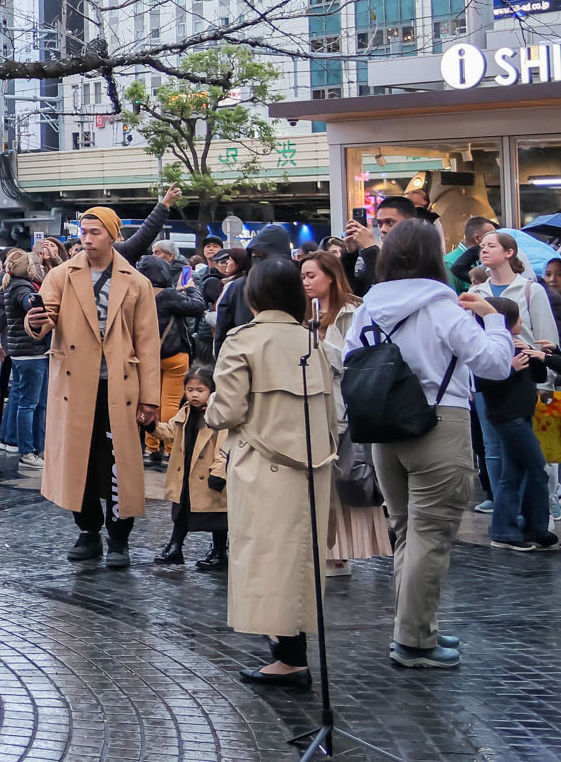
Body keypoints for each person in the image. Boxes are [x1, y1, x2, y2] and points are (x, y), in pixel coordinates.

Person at [343, 217, 515, 668]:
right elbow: (495, 364)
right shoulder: (443, 307)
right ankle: (415, 639)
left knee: (405, 531)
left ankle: (413, 627)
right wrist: (494, 319)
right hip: (438, 424)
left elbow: (347, 360)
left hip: (382, 430)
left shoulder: (367, 308)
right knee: (430, 534)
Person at [206, 258, 334, 687]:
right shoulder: (311, 340)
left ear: (253, 295)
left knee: (264, 558)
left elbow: (225, 411)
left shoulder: (243, 339)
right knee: (301, 559)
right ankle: (292, 655)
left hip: (261, 462)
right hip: (312, 466)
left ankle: (286, 656)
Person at [25, 206, 161, 567]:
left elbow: (148, 344)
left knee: (119, 464)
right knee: (78, 460)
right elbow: (44, 318)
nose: (86, 238)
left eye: (95, 232)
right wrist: (36, 320)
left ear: (113, 235)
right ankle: (87, 531)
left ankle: (119, 538)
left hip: (121, 385)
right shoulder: (60, 276)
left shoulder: (137, 281)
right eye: (83, 231)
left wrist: (151, 399)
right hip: (74, 386)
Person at [303, 246, 390, 574]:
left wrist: (320, 344)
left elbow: (360, 360)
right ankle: (323, 550)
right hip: (310, 407)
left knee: (347, 477)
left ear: (331, 277)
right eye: (302, 277)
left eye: (311, 276)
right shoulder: (302, 312)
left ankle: (341, 553)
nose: (306, 283)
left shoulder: (355, 311)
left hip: (347, 405)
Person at [474, 295, 558, 550]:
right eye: (519, 317)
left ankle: (506, 530)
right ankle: (536, 528)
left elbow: (540, 375)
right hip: (508, 418)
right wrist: (509, 368)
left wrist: (541, 356)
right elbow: (482, 383)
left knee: (512, 474)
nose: (523, 320)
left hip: (522, 415)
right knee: (537, 470)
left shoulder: (518, 344)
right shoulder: (490, 349)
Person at [154, 363, 228, 567]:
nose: (194, 395)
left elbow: (225, 446)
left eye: (200, 390)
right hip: (186, 472)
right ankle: (175, 545)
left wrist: (220, 471)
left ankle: (220, 552)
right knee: (181, 511)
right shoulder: (185, 411)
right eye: (190, 390)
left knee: (218, 516)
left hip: (208, 473)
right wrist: (151, 426)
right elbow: (170, 432)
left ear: (212, 391)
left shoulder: (219, 414)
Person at [147, 255, 210, 468]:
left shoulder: (137, 293)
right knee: (171, 401)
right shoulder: (169, 294)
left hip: (148, 356)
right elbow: (198, 306)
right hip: (174, 354)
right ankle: (170, 448)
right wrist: (190, 287)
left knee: (149, 399)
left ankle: (151, 447)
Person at [0, 248, 48, 467]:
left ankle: (26, 446)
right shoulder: (23, 287)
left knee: (26, 400)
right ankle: (28, 451)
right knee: (30, 404)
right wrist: (38, 308)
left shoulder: (10, 284)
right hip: (31, 351)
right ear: (29, 268)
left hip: (21, 351)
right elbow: (30, 303)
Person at [340, 194, 418, 296]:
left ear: (410, 224)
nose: (383, 229)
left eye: (390, 223)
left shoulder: (420, 258)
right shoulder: (382, 256)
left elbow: (390, 292)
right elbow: (353, 292)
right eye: (380, 224)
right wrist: (350, 254)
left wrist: (369, 249)